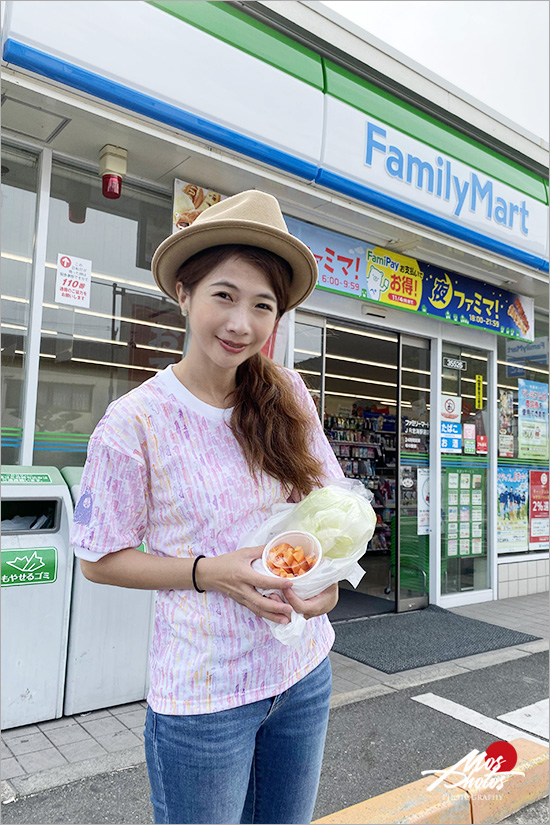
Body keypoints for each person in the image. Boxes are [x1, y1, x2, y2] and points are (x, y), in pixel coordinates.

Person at [71, 190, 345, 825]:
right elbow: (100, 560)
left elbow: (328, 512)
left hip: (302, 672)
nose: (240, 323)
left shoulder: (288, 392)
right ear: (185, 293)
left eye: (262, 305)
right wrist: (208, 570)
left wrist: (325, 587)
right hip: (204, 697)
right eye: (224, 295)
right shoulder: (133, 422)